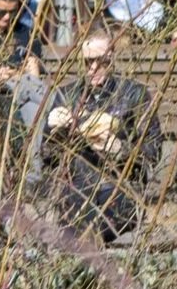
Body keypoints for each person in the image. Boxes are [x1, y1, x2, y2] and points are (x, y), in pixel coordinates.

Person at [31, 31, 162, 243]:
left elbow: (153, 149)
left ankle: (87, 239)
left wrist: (121, 150)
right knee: (77, 217)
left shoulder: (133, 94)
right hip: (77, 189)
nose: (93, 68)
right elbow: (46, 156)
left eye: (101, 62)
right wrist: (58, 134)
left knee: (94, 225)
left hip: (120, 188)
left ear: (112, 59)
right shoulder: (67, 95)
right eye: (88, 62)